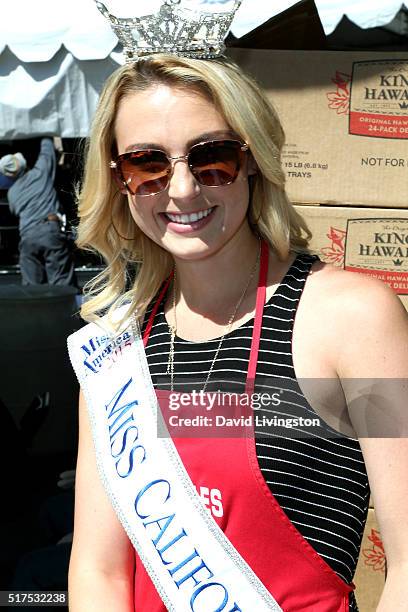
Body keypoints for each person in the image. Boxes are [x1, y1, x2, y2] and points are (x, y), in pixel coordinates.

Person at [67, 53, 408, 611]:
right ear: (118, 179)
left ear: (251, 160)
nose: (180, 190)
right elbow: (98, 570)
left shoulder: (353, 318)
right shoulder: (114, 351)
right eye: (146, 164)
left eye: (211, 158)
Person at [0, 138, 76, 286]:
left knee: (32, 288)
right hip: (49, 231)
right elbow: (47, 149)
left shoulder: (12, 194)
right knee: (62, 285)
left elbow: (15, 212)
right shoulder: (40, 174)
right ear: (24, 165)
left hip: (27, 238)